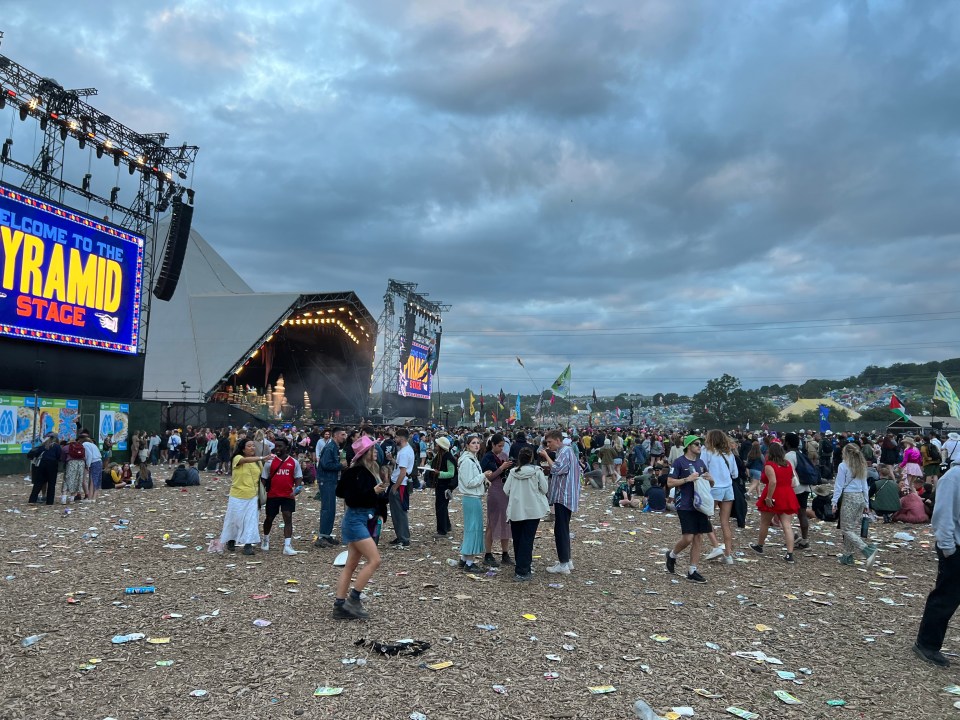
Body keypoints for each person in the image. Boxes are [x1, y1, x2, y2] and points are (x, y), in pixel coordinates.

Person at [332, 436, 388, 619]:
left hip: (362, 519)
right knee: (375, 560)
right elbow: (349, 497)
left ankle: (339, 606)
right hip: (355, 520)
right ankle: (353, 599)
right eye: (372, 450)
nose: (375, 452)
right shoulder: (356, 472)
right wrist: (373, 492)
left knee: (351, 564)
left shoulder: (371, 470)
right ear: (365, 453)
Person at [914, 456, 960, 667]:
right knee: (946, 597)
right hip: (956, 547)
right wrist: (948, 548)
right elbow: (942, 516)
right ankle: (927, 644)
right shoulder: (953, 477)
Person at [664, 435, 714, 583]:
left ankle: (692, 570)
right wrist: (687, 479)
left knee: (699, 537)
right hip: (684, 504)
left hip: (700, 504)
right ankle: (672, 555)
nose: (700, 446)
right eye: (697, 444)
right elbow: (670, 482)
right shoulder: (679, 462)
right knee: (688, 537)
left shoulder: (700, 463)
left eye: (701, 444)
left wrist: (711, 480)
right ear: (688, 446)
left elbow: (709, 485)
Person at [504, 446, 550, 581]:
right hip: (533, 509)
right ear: (531, 458)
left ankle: (521, 566)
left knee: (518, 539)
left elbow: (506, 490)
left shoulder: (513, 472)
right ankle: (523, 570)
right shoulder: (537, 471)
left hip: (516, 509)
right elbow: (545, 489)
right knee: (527, 539)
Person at [750, 441, 800, 562]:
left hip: (774, 493)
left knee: (765, 522)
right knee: (787, 525)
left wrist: (768, 497)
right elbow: (793, 481)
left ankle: (760, 545)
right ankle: (790, 553)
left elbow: (773, 482)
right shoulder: (787, 464)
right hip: (787, 493)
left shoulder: (769, 465)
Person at [541, 428, 581, 575]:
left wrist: (546, 456)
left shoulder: (565, 451)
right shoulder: (565, 452)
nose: (548, 445)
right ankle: (567, 560)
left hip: (564, 497)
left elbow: (558, 469)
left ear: (558, 440)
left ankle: (563, 563)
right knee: (563, 528)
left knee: (560, 529)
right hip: (565, 495)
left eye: (550, 442)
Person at [220, 439, 270, 556]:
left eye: (253, 446)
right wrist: (262, 458)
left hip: (253, 495)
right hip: (237, 495)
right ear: (243, 449)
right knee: (234, 519)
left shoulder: (257, 462)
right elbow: (245, 460)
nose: (252, 448)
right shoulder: (237, 458)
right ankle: (231, 539)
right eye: (249, 446)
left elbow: (262, 477)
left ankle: (248, 545)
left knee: (251, 520)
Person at [832, 443, 879, 567]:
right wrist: (866, 502)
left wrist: (834, 501)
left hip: (849, 497)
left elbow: (839, 485)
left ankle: (867, 550)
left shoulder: (843, 466)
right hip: (860, 498)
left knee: (846, 528)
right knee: (852, 528)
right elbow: (865, 486)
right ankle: (847, 555)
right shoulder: (861, 466)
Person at [700, 429, 738, 565]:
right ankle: (728, 555)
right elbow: (735, 474)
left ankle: (716, 546)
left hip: (714, 488)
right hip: (728, 488)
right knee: (725, 522)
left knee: (705, 518)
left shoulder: (707, 452)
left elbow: (702, 469)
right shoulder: (729, 453)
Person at [260, 437, 303, 555]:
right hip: (272, 495)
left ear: (286, 447)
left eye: (280, 446)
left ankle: (287, 545)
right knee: (269, 518)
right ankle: (265, 539)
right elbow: (263, 478)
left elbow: (298, 476)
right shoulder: (270, 461)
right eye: (276, 446)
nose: (277, 449)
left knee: (288, 517)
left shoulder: (294, 462)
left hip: (288, 495)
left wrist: (297, 488)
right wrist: (261, 493)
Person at [481, 433, 515, 567]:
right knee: (492, 522)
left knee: (506, 523)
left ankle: (505, 553)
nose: (501, 449)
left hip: (505, 491)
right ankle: (488, 553)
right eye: (499, 446)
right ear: (493, 445)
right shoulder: (487, 458)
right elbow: (488, 477)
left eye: (503, 446)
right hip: (494, 491)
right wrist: (502, 468)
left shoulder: (505, 456)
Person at [455, 433, 487, 573]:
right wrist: (483, 475)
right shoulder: (468, 461)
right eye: (473, 442)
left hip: (473, 497)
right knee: (473, 529)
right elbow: (469, 482)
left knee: (472, 528)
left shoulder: (472, 459)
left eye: (478, 442)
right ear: (467, 445)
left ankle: (464, 558)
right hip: (472, 497)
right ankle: (469, 562)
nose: (476, 445)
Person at [315, 427, 347, 548]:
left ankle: (327, 535)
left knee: (331, 508)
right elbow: (325, 464)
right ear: (336, 435)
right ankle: (322, 536)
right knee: (327, 508)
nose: (345, 437)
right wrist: (340, 466)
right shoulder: (330, 447)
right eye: (343, 434)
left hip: (331, 480)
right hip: (326, 480)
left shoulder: (334, 447)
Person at [387, 428, 414, 548]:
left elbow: (402, 472)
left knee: (399, 512)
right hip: (400, 483)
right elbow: (400, 467)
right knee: (397, 512)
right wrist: (392, 460)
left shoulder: (404, 452)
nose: (395, 439)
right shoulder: (406, 450)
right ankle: (401, 536)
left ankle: (404, 538)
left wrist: (395, 487)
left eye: (396, 437)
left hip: (400, 485)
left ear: (401, 439)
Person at [426, 436, 456, 538]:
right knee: (443, 506)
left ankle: (442, 531)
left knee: (440, 507)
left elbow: (451, 473)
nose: (436, 445)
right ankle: (447, 526)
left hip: (445, 485)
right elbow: (432, 464)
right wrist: (430, 457)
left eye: (437, 444)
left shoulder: (448, 457)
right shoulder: (440, 455)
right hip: (440, 484)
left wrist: (439, 473)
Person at [27, 433, 61, 505]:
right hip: (52, 465)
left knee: (38, 483)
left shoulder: (43, 446)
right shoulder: (57, 446)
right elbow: (59, 456)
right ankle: (49, 501)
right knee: (51, 484)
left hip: (41, 465)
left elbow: (36, 454)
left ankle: (32, 500)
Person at [62, 436, 87, 504]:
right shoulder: (81, 446)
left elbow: (63, 458)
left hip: (71, 464)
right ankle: (72, 499)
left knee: (67, 480)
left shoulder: (66, 447)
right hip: (81, 464)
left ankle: (64, 499)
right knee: (77, 480)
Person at [80, 432, 103, 503]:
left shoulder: (84, 444)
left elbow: (89, 455)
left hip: (94, 462)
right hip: (99, 461)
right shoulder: (93, 445)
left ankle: (90, 498)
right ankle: (94, 497)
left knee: (92, 480)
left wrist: (88, 465)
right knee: (96, 480)